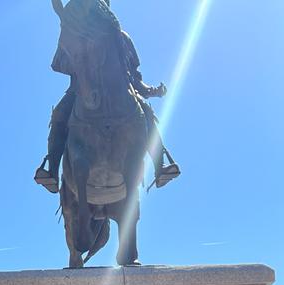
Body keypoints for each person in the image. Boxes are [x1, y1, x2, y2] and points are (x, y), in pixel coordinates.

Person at [34, 1, 180, 193]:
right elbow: (61, 62)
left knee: (145, 110)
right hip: (80, 90)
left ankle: (160, 166)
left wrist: (150, 91)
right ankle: (52, 170)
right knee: (60, 113)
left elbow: (134, 77)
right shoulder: (74, 33)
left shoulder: (121, 38)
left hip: (121, 90)